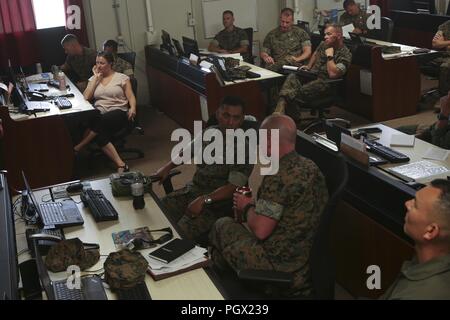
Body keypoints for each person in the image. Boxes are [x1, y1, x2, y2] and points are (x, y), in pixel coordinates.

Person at [209, 115, 329, 298]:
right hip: (305, 258)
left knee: (221, 226)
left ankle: (215, 287)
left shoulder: (278, 175)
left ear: (270, 141)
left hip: (278, 265)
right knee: (227, 238)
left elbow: (261, 231)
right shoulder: (311, 167)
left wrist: (246, 206)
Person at [154, 96, 254, 243]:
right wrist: (167, 167)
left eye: (236, 118)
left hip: (216, 205)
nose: (231, 122)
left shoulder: (244, 148)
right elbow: (188, 151)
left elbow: (233, 187)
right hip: (193, 190)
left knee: (178, 237)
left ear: (242, 119)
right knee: (157, 214)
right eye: (226, 116)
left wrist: (204, 199)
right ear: (218, 113)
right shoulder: (210, 132)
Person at [381, 180, 450, 300]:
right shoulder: (429, 260)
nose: (407, 203)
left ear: (430, 231)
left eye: (415, 205)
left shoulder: (418, 294)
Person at [274, 24, 352, 125]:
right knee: (293, 76)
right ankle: (282, 109)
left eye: (328, 34)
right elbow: (316, 53)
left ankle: (291, 119)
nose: (325, 37)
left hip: (326, 83)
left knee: (293, 93)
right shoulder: (324, 44)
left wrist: (330, 56)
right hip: (313, 75)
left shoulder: (345, 54)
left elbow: (333, 74)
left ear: (338, 35)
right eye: (325, 34)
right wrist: (309, 66)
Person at [73, 51, 137, 173]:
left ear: (110, 64)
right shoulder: (94, 79)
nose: (98, 66)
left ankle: (80, 146)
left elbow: (130, 96)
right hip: (99, 114)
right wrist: (95, 79)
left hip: (118, 112)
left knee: (99, 122)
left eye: (102, 63)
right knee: (99, 130)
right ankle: (121, 164)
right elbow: (86, 98)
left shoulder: (122, 78)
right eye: (97, 62)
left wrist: (133, 108)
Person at [260, 8, 312, 72]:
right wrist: (266, 57)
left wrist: (297, 59)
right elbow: (264, 52)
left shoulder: (301, 33)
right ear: (280, 19)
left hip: (294, 65)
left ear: (292, 21)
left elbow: (307, 52)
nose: (284, 25)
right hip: (277, 65)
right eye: (282, 21)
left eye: (287, 22)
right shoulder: (272, 34)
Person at [430, 20, 450, 95]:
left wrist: (444, 43)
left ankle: (443, 97)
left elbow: (442, 45)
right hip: (445, 55)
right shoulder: (445, 25)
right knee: (419, 60)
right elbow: (435, 44)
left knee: (445, 66)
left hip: (447, 58)